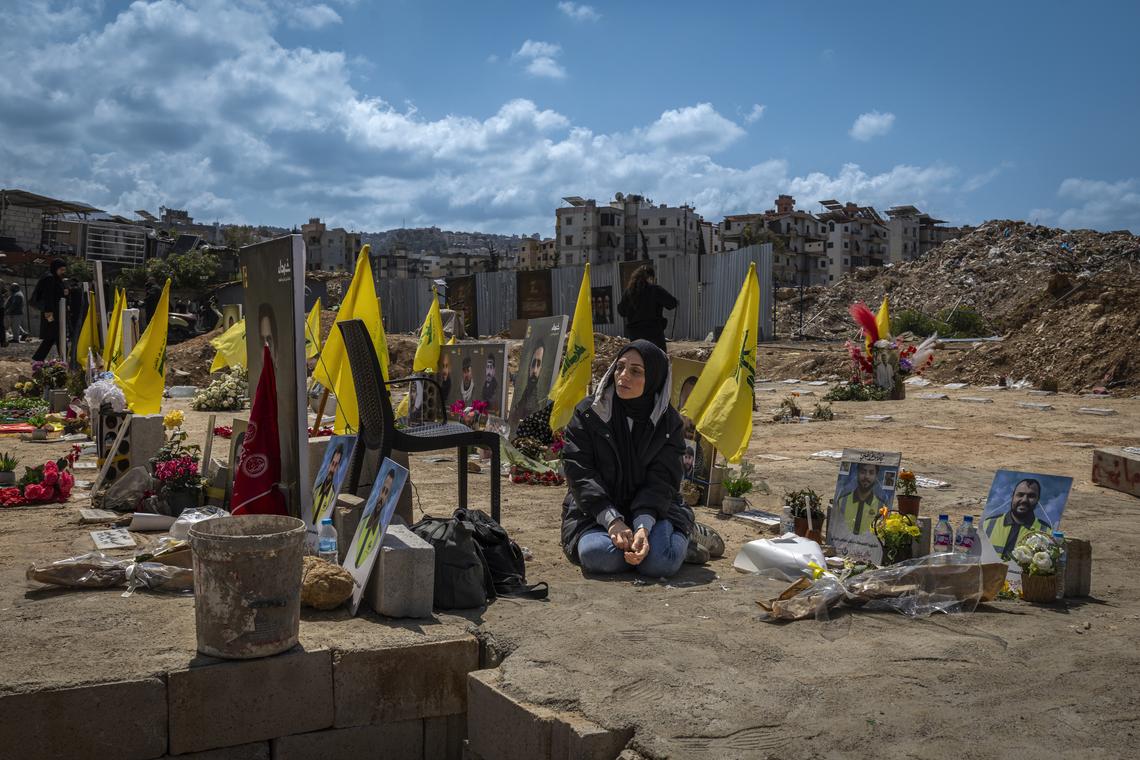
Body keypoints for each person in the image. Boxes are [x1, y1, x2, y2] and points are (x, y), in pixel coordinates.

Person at [560, 339, 695, 577]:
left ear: (653, 378)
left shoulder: (668, 424)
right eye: (620, 367)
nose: (623, 376)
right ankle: (656, 546)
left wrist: (643, 526)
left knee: (659, 564)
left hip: (654, 510)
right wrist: (612, 521)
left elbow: (663, 479)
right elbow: (579, 472)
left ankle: (681, 537)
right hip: (595, 511)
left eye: (635, 371)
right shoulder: (589, 413)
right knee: (596, 555)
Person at [983, 478, 1053, 559]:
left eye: (1031, 496)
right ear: (1012, 496)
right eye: (1020, 495)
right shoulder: (987, 524)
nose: (1024, 500)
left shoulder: (1047, 533)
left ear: (1038, 500)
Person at [617, 265, 677, 352]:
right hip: (654, 334)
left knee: (641, 360)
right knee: (659, 361)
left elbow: (621, 311)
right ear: (649, 278)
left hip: (635, 336)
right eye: (652, 279)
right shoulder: (655, 289)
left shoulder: (629, 292)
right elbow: (671, 304)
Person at [355, 469, 397, 567]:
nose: (383, 496)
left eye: (386, 492)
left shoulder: (379, 531)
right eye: (383, 490)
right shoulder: (364, 519)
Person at [30, 259, 69, 361]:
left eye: (64, 270)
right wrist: (49, 312)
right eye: (61, 269)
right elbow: (48, 296)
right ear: (55, 268)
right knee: (54, 335)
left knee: (54, 336)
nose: (63, 272)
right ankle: (65, 358)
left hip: (57, 311)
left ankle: (63, 358)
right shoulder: (50, 278)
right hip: (51, 312)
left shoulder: (55, 278)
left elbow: (57, 293)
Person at [836, 462, 888, 535]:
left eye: (871, 473)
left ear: (876, 476)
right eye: (863, 472)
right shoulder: (842, 501)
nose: (867, 476)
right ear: (857, 473)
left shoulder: (881, 507)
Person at [311, 446, 346, 525]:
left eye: (336, 464)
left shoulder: (333, 493)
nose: (333, 467)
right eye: (332, 463)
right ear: (329, 463)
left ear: (338, 467)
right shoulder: (317, 487)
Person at [514, 344, 545, 420]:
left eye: (538, 364)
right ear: (529, 366)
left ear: (541, 368)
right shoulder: (521, 394)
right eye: (533, 364)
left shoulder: (541, 401)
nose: (534, 370)